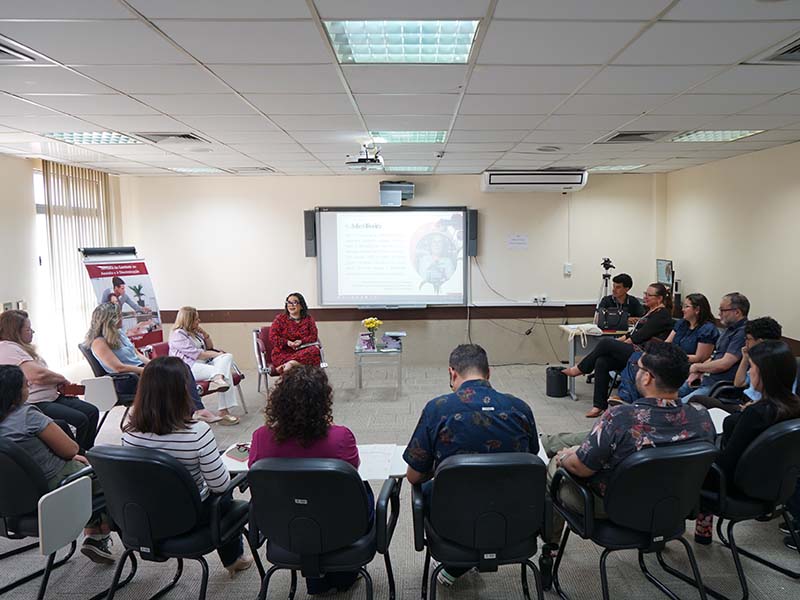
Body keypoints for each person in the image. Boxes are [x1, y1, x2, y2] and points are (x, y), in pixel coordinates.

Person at [540, 344, 715, 587]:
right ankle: (548, 442)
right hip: (672, 503)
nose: (634, 371)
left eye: (638, 367)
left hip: (614, 506)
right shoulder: (702, 416)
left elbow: (581, 468)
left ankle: (550, 548)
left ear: (648, 377)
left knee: (553, 468)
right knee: (586, 438)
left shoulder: (620, 417)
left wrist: (564, 457)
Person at [403, 344, 539, 587]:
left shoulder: (437, 409)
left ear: (452, 373)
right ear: (489, 373)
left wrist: (441, 467)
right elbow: (531, 459)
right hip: (514, 517)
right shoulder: (520, 408)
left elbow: (413, 476)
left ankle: (456, 562)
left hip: (453, 520)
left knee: (429, 490)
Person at [121, 357, 252, 577]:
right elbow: (219, 486)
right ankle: (233, 559)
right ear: (182, 390)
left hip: (145, 515)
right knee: (225, 493)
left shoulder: (129, 432)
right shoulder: (196, 432)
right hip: (189, 518)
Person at [249, 365, 370, 595]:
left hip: (284, 525)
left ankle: (319, 579)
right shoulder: (341, 437)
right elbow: (351, 472)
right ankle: (341, 575)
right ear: (323, 402)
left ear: (279, 400)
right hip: (339, 525)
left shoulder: (260, 437)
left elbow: (257, 479)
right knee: (362, 489)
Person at [0, 365, 114, 563]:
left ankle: (95, 531)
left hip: (12, 497)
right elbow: (70, 449)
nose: (29, 386)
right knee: (109, 473)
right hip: (54, 486)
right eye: (25, 384)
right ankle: (98, 535)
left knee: (85, 466)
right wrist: (73, 458)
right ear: (14, 393)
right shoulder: (27, 415)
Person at [694, 341, 800, 544]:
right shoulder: (792, 407)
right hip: (775, 485)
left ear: (765, 374)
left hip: (736, 486)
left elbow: (726, 463)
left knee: (684, 465)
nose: (750, 373)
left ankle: (671, 528)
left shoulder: (756, 414)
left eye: (752, 368)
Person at [562, 282, 674, 417]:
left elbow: (639, 337)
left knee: (606, 343)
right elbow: (632, 334)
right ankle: (599, 406)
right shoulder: (650, 311)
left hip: (645, 355)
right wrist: (618, 343)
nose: (645, 297)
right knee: (602, 361)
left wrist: (617, 345)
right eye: (645, 294)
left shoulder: (662, 315)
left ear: (659, 298)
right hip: (635, 350)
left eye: (649, 295)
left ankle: (580, 369)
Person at [86, 303, 213, 421]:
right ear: (110, 320)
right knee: (174, 377)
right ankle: (188, 413)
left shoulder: (119, 334)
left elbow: (136, 354)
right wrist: (149, 370)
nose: (122, 318)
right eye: (119, 316)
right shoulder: (99, 342)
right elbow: (119, 367)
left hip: (141, 371)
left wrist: (153, 363)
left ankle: (193, 411)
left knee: (181, 367)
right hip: (126, 379)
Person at [0, 310, 99, 451]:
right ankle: (79, 454)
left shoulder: (20, 348)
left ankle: (88, 451)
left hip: (51, 395)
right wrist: (62, 379)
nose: (32, 332)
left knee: (92, 411)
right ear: (15, 332)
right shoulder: (6, 348)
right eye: (28, 329)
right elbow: (38, 375)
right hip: (36, 401)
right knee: (80, 420)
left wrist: (57, 383)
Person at [614, 293, 719, 404]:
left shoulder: (707, 329)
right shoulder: (681, 324)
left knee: (641, 366)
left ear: (697, 310)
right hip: (670, 359)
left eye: (686, 307)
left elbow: (700, 357)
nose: (682, 309)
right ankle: (628, 397)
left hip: (685, 365)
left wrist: (674, 357)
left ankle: (629, 399)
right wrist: (655, 353)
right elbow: (667, 343)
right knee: (636, 358)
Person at [169, 307, 240, 426]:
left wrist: (205, 334)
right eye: (196, 319)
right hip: (189, 368)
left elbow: (209, 347)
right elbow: (197, 354)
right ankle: (223, 411)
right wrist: (217, 354)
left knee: (227, 356)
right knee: (225, 372)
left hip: (204, 363)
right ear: (188, 320)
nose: (199, 321)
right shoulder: (178, 335)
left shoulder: (194, 332)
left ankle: (218, 378)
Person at [680, 292, 749, 402]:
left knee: (681, 406)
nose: (719, 314)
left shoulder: (743, 333)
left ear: (737, 312)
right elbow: (714, 356)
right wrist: (699, 371)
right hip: (705, 378)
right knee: (667, 394)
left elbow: (724, 363)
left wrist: (697, 367)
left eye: (723, 310)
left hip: (718, 386)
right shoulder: (729, 329)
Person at [269, 292, 321, 373]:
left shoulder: (308, 319)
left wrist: (301, 341)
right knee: (311, 362)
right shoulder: (280, 319)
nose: (291, 305)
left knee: (315, 350)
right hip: (283, 353)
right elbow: (273, 337)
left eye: (294, 302)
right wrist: (287, 342)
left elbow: (313, 336)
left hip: (303, 351)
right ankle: (290, 365)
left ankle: (290, 364)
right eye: (289, 302)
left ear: (301, 306)